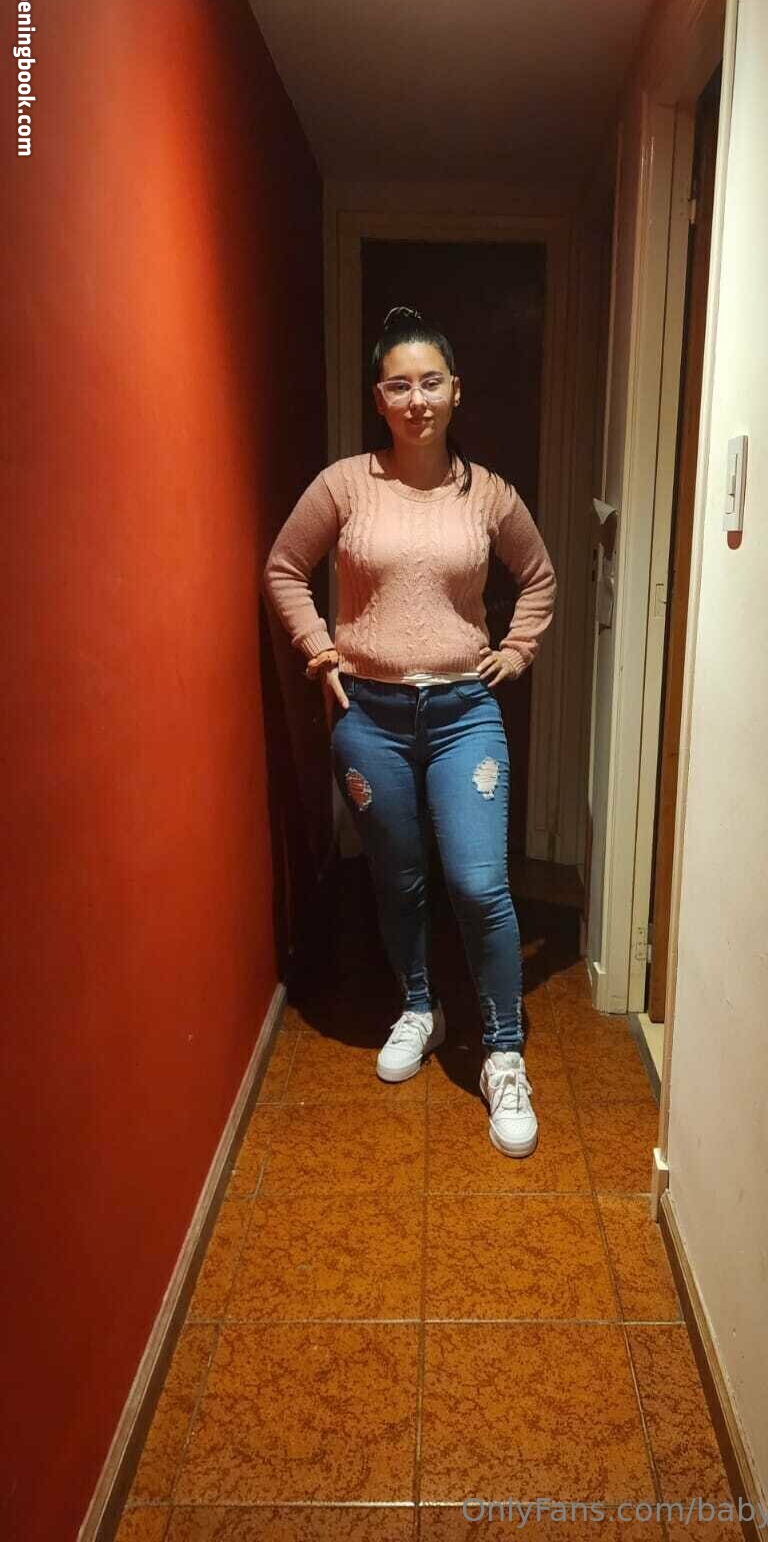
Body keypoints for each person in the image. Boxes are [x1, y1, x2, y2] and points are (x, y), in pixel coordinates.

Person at [262, 304, 557, 1158]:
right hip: (371, 718)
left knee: (477, 882)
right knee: (396, 878)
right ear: (379, 398)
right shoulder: (344, 486)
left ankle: (504, 1053)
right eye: (399, 385)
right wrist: (320, 650)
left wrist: (517, 650)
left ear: (456, 391)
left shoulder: (488, 494)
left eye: (431, 382)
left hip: (465, 713)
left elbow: (538, 575)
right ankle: (421, 1006)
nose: (417, 399)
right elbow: (285, 567)